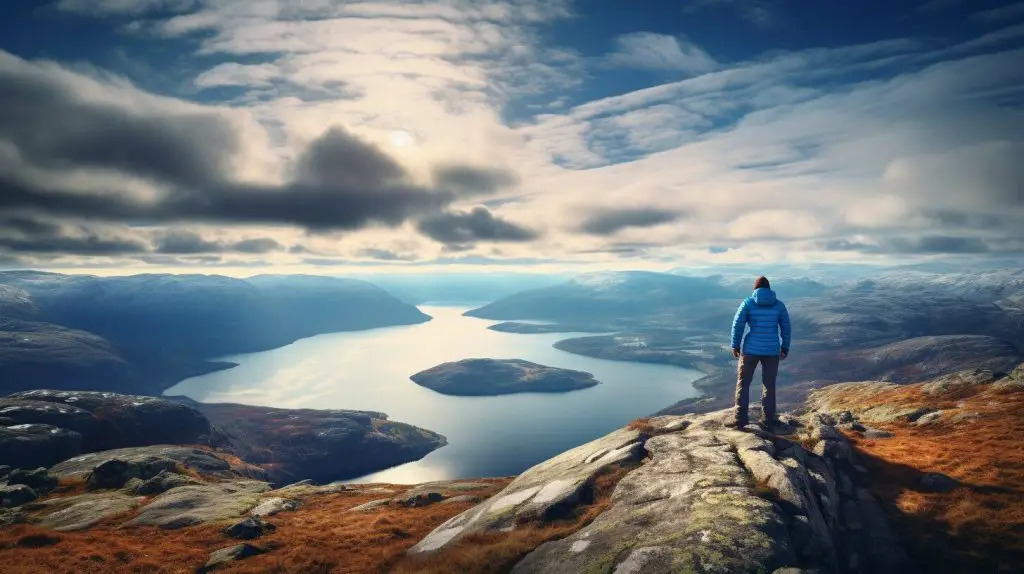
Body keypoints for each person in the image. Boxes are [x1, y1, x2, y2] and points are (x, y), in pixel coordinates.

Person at [727, 276, 791, 430]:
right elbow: (786, 327)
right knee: (769, 384)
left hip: (750, 350)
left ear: (755, 289)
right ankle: (768, 419)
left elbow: (738, 325)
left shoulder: (748, 303)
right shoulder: (779, 306)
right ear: (769, 289)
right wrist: (785, 347)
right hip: (771, 350)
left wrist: (735, 345)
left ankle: (740, 419)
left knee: (744, 382)